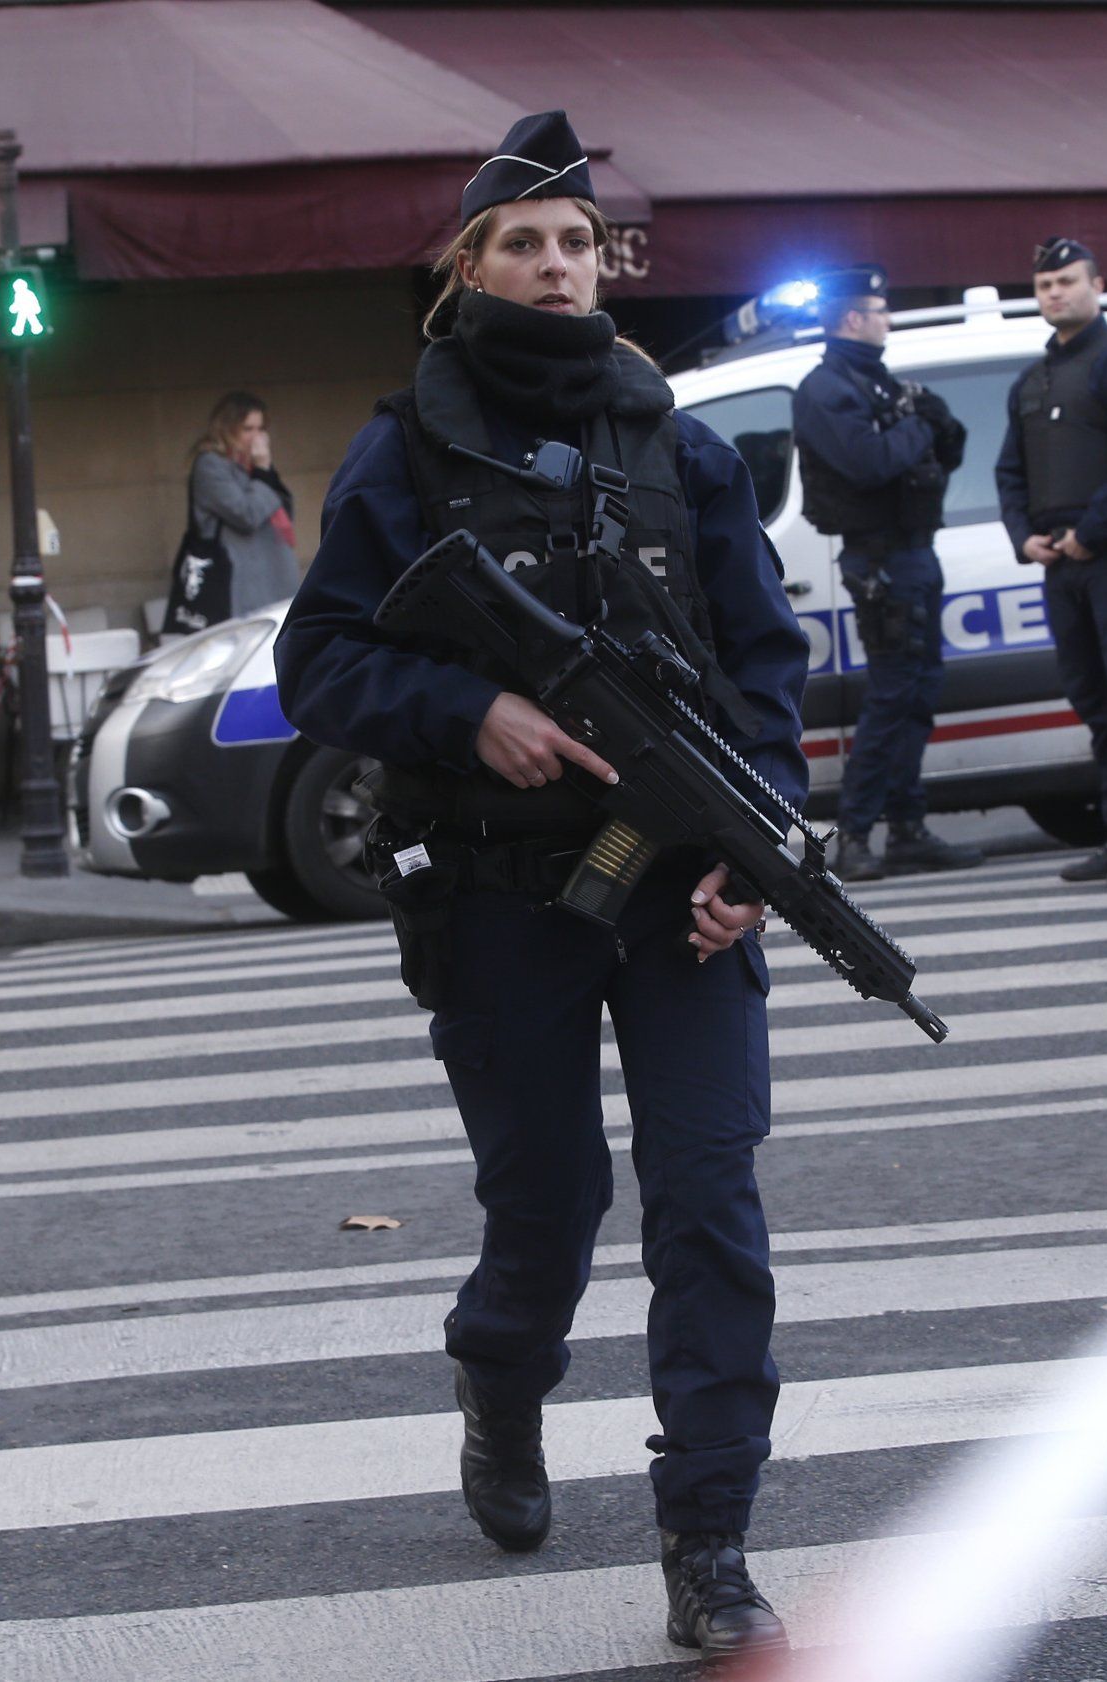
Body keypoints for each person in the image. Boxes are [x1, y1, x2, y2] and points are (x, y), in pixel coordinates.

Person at [273, 110, 806, 1659]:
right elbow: (318, 661)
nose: (559, 267)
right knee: (554, 1202)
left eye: (578, 243)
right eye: (526, 243)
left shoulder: (676, 441)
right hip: (505, 893)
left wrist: (752, 856)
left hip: (676, 894)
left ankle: (708, 1537)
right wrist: (470, 712)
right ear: (470, 268)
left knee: (709, 1195)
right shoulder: (407, 447)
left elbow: (765, 674)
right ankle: (500, 1384)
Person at [994, 237, 1107, 886]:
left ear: (1097, 286)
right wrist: (1026, 538)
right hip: (1062, 565)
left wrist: (1090, 534)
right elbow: (1010, 471)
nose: (1055, 294)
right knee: (1095, 700)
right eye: (1045, 284)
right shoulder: (1034, 377)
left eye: (1067, 281)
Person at [789, 263, 981, 881]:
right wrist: (919, 423)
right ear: (853, 318)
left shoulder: (873, 382)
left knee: (918, 694)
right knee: (893, 695)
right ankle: (858, 836)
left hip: (912, 552)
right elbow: (868, 462)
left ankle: (908, 828)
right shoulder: (827, 388)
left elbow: (935, 452)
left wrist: (935, 422)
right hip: (880, 560)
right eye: (880, 311)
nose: (887, 321)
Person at [163, 392, 302, 634]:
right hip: (236, 586)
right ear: (227, 428)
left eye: (261, 429)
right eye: (248, 429)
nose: (256, 437)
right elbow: (246, 514)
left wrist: (263, 471)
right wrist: (262, 470)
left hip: (270, 581)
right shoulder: (210, 465)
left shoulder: (252, 466)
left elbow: (284, 509)